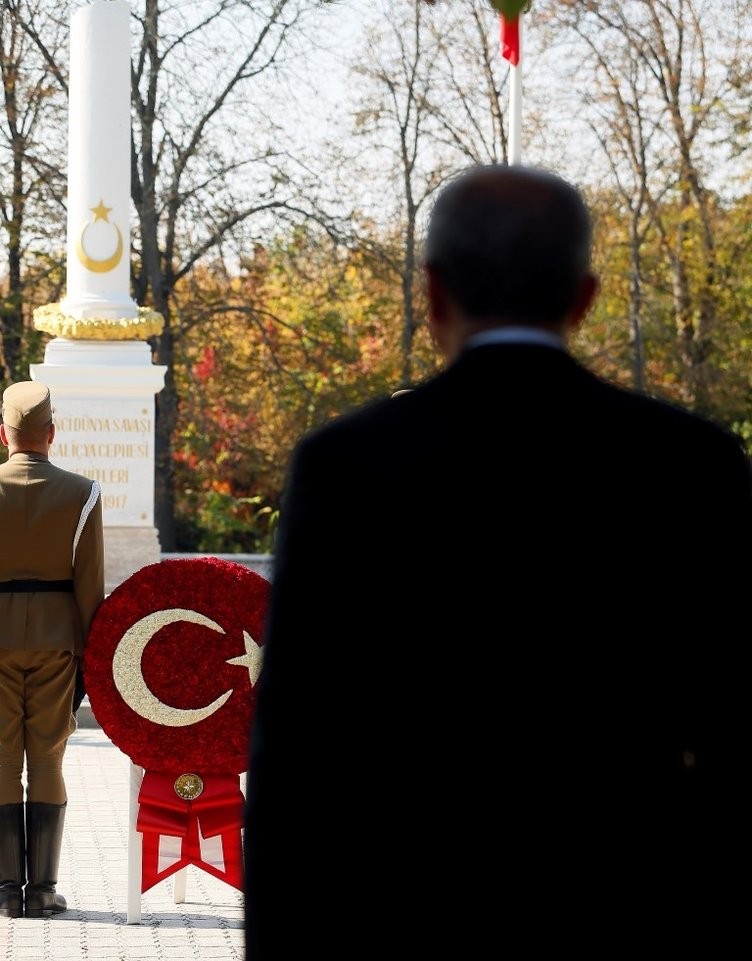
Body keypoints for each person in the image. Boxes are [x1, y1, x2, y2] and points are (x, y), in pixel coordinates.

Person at [244, 165, 752, 955]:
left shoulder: (347, 467)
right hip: (633, 913)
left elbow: (299, 751)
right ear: (583, 298)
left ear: (433, 293)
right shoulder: (693, 464)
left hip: (403, 914)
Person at [0, 381, 104, 919]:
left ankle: (3, 892)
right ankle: (40, 892)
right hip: (55, 643)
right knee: (46, 758)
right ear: (51, 434)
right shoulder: (82, 492)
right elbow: (90, 587)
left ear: (3, 435)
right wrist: (94, 655)